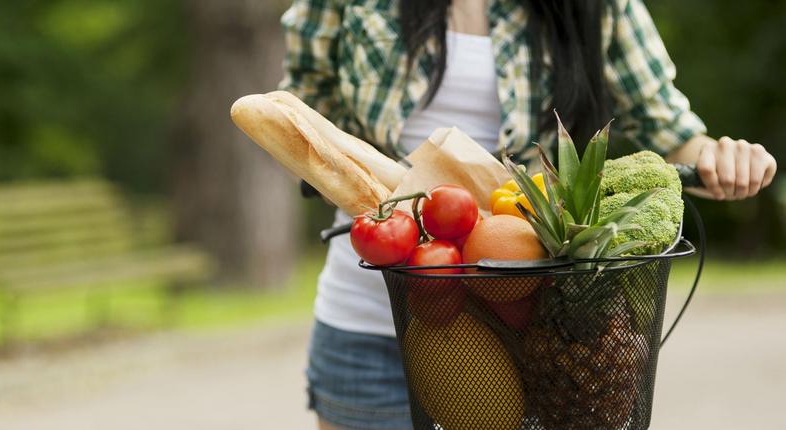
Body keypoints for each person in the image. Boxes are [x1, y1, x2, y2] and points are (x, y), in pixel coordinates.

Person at [278, 1, 778, 429]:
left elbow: (669, 129)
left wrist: (721, 157)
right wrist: (385, 205)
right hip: (365, 327)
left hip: (529, 336)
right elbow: (307, 120)